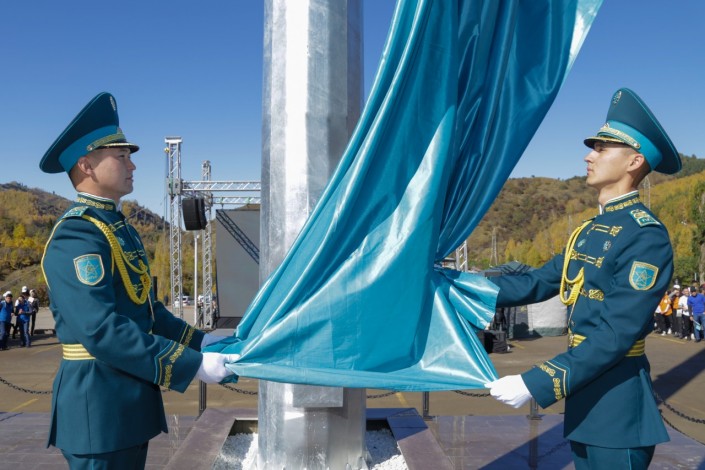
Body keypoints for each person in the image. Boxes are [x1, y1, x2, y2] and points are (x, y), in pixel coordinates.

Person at [485, 88, 680, 469]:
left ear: (634, 161)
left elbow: (616, 334)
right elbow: (537, 282)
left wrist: (535, 382)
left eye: (602, 149)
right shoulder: (588, 230)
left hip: (618, 406)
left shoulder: (645, 235)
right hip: (585, 398)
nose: (589, 156)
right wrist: (456, 289)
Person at [39, 92, 237, 469]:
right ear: (86, 165)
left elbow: (149, 312)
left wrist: (202, 341)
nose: (132, 165)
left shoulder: (118, 229)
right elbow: (101, 331)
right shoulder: (77, 236)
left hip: (127, 406)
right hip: (98, 409)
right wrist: (192, 365)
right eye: (121, 156)